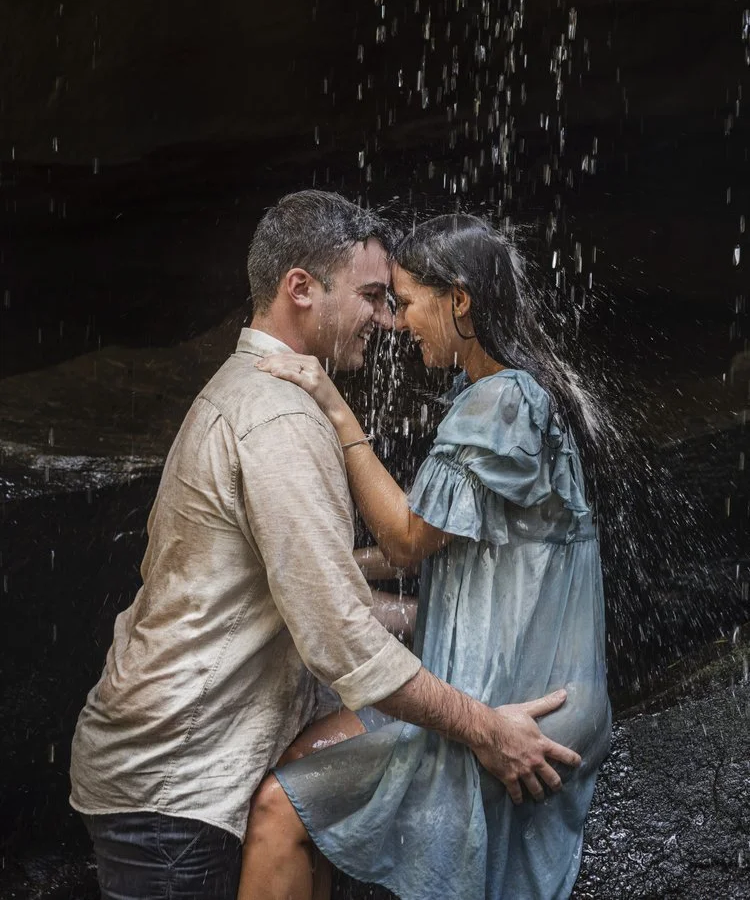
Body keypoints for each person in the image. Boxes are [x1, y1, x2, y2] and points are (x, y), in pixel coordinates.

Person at [68, 193, 580, 900]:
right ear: (300, 289)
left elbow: (313, 588)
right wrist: (486, 728)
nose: (387, 318)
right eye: (373, 296)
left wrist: (437, 617)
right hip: (174, 789)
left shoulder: (263, 392)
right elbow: (340, 631)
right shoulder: (278, 415)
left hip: (169, 777)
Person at [242, 213, 612, 900]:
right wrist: (335, 561)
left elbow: (409, 537)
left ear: (459, 299)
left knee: (282, 800)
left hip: (522, 701)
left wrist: (334, 408)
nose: (397, 322)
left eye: (407, 303)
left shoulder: (505, 401)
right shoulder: (507, 392)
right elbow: (455, 534)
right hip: (518, 686)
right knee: (301, 773)